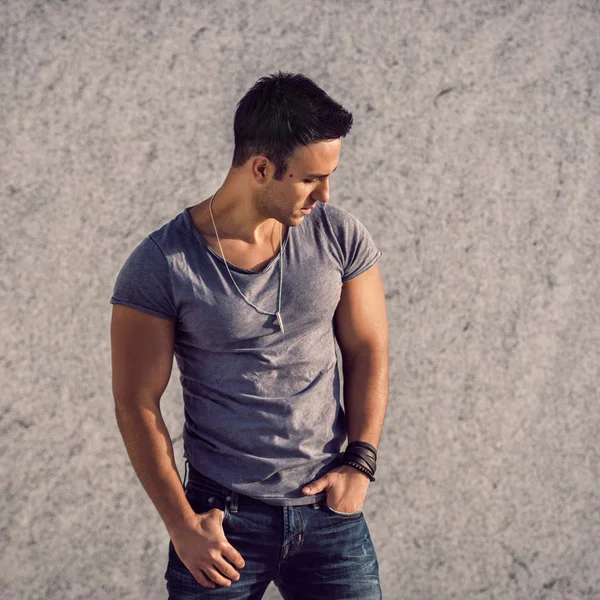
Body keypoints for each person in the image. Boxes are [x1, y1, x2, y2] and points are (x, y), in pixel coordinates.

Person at [110, 71, 389, 599]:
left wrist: (361, 460)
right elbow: (136, 401)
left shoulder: (338, 234)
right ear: (261, 168)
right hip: (221, 520)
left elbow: (367, 348)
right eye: (311, 179)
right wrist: (181, 525)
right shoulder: (162, 263)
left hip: (329, 510)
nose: (324, 194)